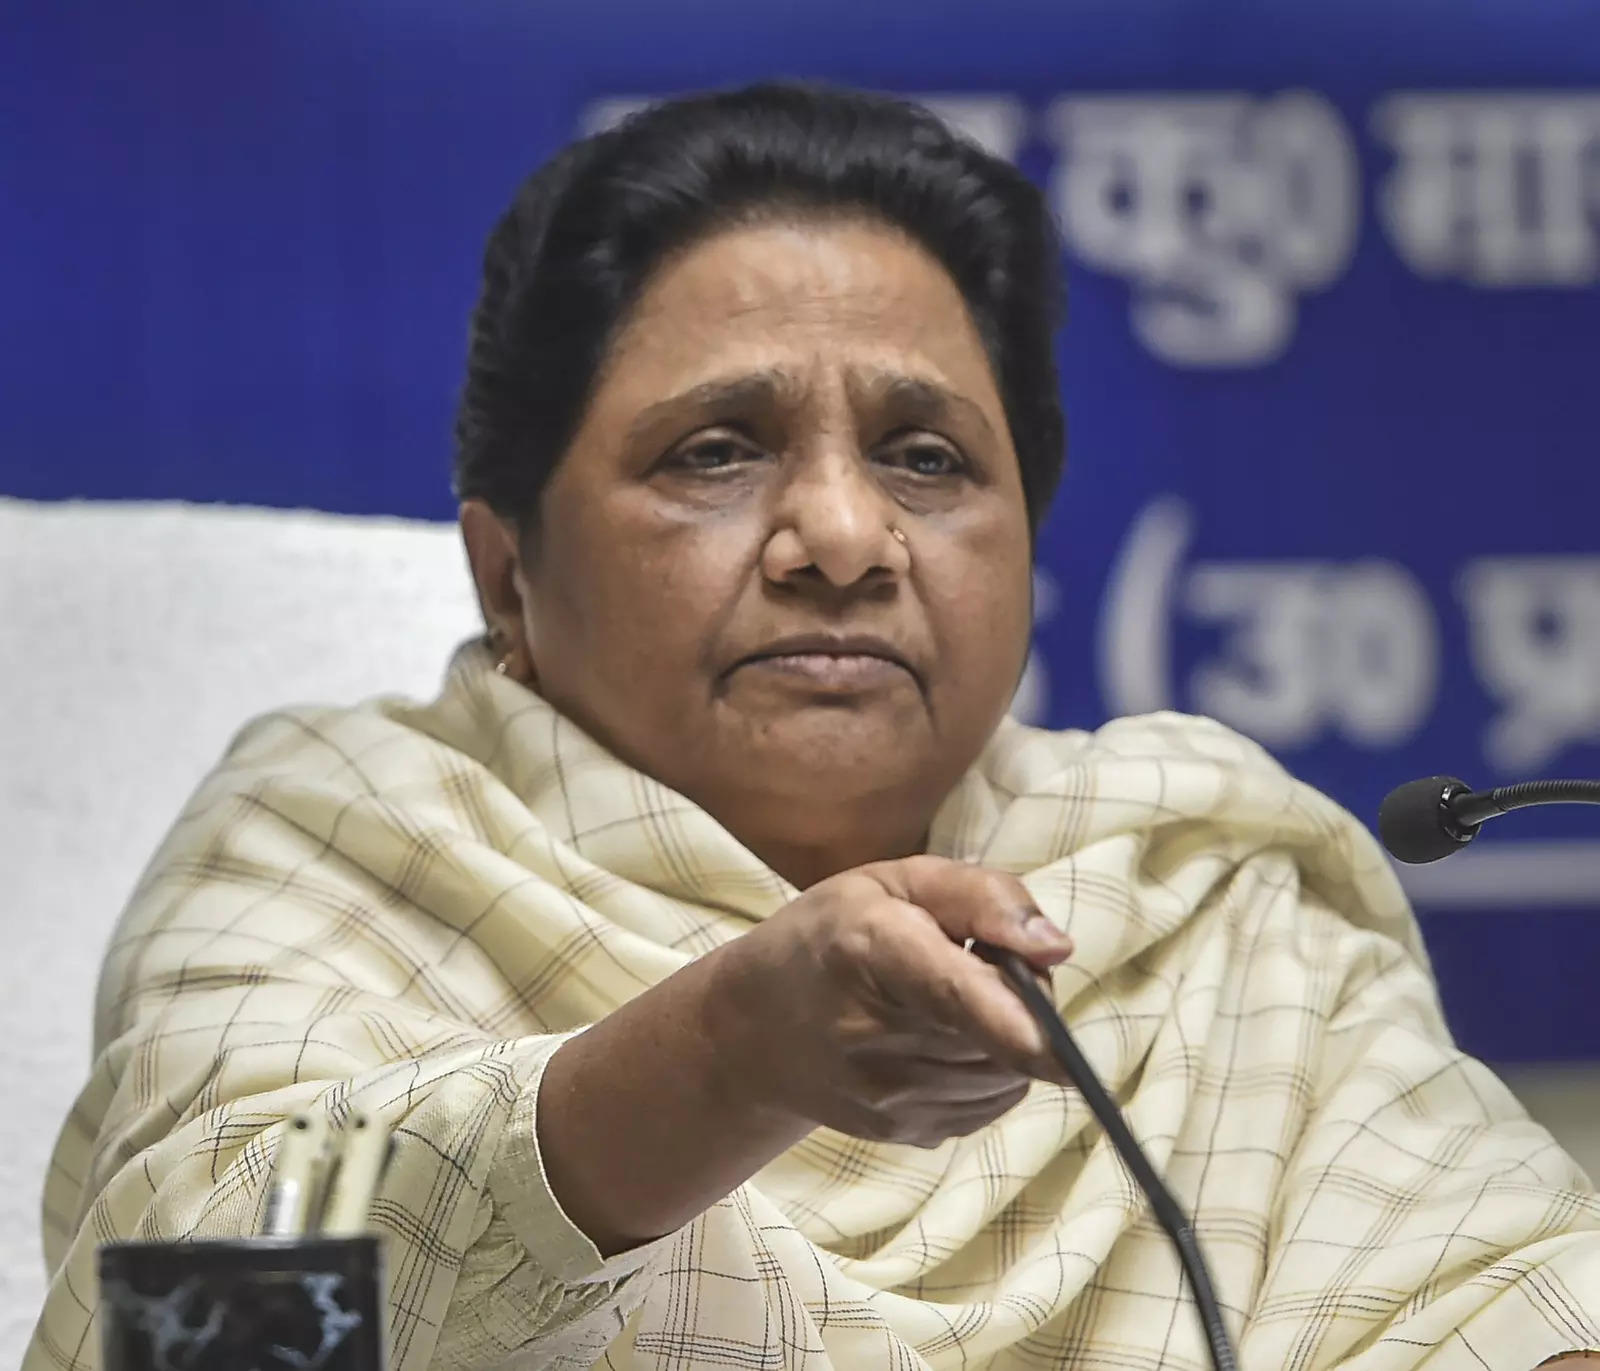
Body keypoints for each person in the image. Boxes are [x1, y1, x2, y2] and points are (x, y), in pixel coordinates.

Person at [25, 83, 1600, 1371]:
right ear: (510, 575)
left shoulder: (1197, 887)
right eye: (716, 450)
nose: (845, 536)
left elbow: (1502, 1294)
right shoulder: (343, 841)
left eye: (927, 457)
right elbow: (183, 1325)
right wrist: (720, 1058)